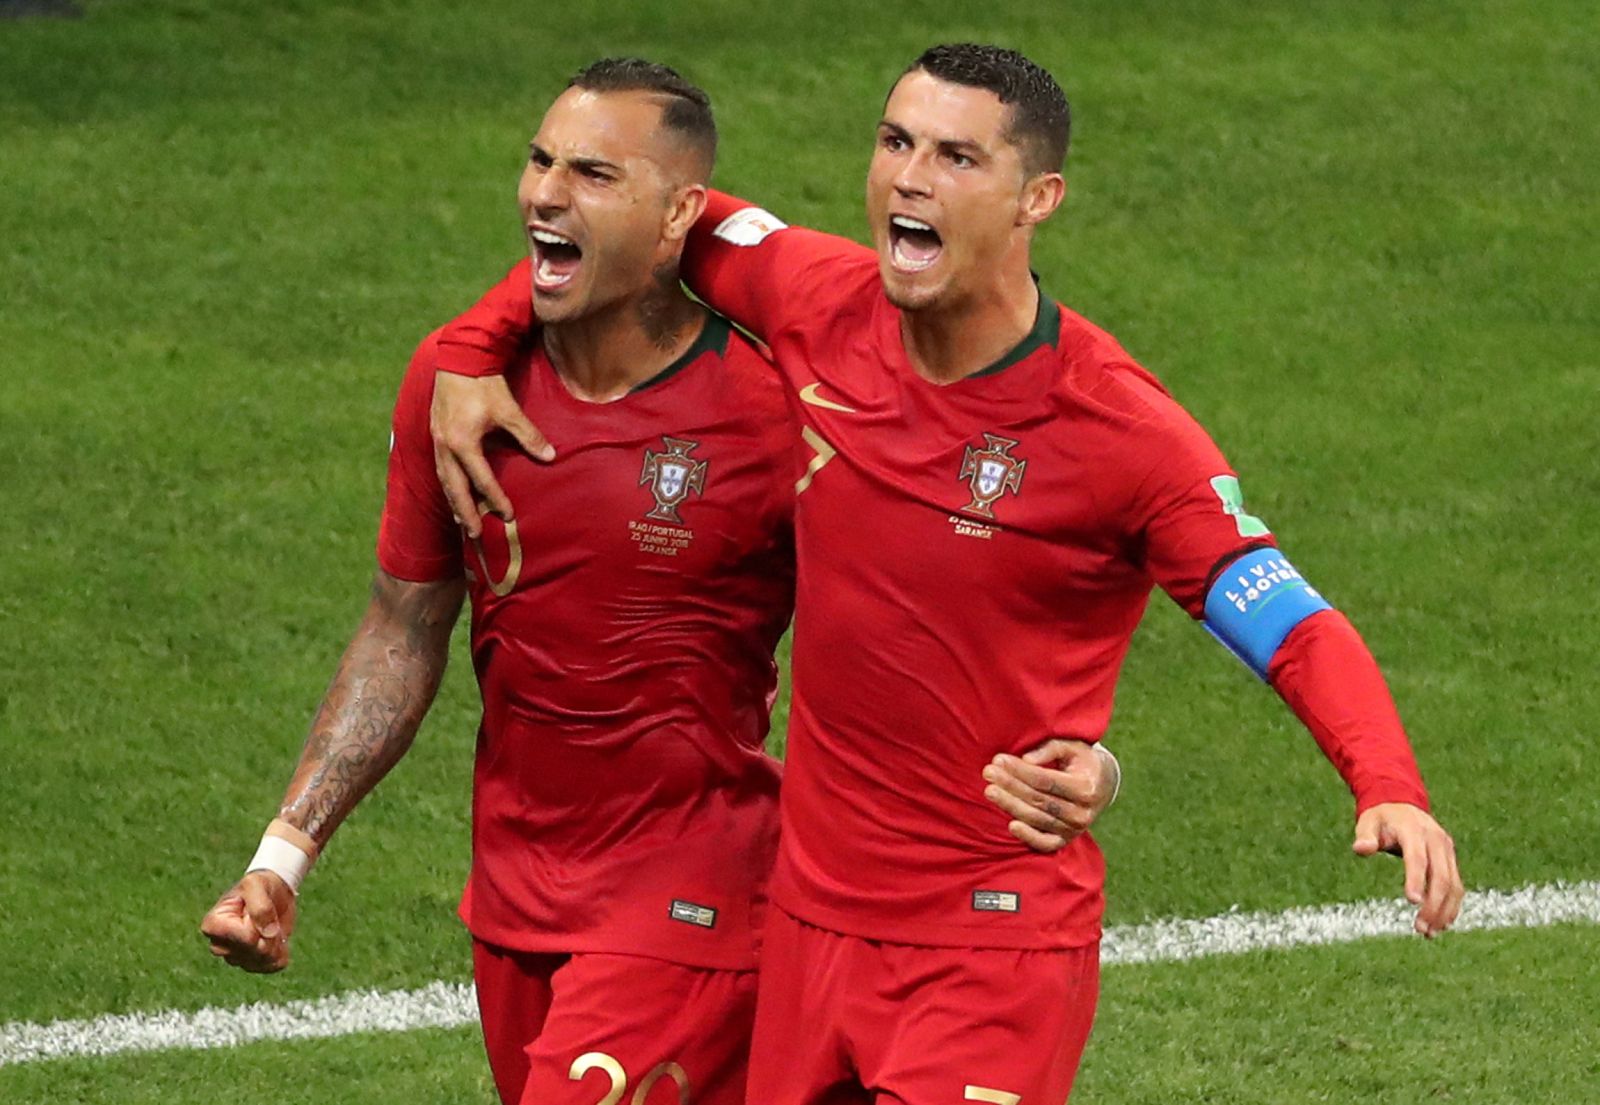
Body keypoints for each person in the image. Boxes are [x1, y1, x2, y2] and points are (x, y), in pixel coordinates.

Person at [427, 43, 1465, 1105]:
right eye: (896, 142)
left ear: (1036, 198)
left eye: (957, 157)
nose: (910, 179)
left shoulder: (1119, 429)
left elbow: (1285, 617)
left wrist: (1388, 784)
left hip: (988, 950)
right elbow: (624, 217)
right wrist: (473, 342)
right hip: (807, 934)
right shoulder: (814, 300)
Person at [199, 57, 1119, 1105]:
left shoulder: (773, 415)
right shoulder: (455, 391)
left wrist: (1089, 759)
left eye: (594, 175)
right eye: (540, 161)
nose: (546, 194)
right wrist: (284, 854)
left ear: (680, 213)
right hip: (513, 899)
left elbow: (931, 613)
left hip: (696, 901)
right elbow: (401, 626)